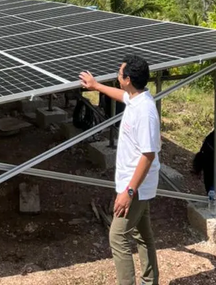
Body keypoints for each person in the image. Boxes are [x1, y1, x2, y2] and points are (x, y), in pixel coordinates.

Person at [80, 54, 160, 285]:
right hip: (134, 184)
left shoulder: (144, 112)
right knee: (142, 235)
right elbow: (123, 96)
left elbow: (148, 155)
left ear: (127, 79)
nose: (117, 73)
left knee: (117, 237)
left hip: (137, 187)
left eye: (120, 71)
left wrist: (129, 192)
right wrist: (95, 86)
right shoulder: (137, 98)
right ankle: (150, 281)